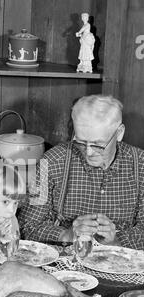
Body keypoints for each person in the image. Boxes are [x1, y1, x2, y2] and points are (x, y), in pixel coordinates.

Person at [18, 95, 144, 250]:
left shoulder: (141, 165)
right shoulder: (50, 162)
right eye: (81, 142)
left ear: (119, 133)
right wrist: (66, 235)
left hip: (123, 262)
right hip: (66, 261)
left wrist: (116, 241)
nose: (89, 152)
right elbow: (28, 226)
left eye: (98, 145)